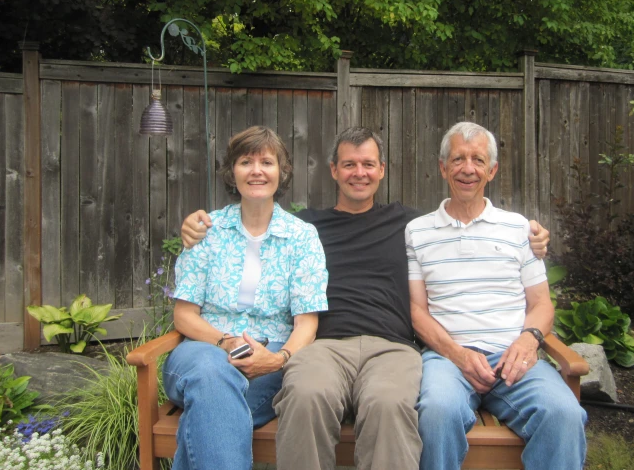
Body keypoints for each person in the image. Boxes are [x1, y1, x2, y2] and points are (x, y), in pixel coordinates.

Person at [181, 126, 551, 470]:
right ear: (334, 171)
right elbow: (256, 230)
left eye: (368, 164)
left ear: (382, 170)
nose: (359, 172)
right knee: (306, 394)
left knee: (389, 404)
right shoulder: (305, 229)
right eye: (349, 164)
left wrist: (532, 236)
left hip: (391, 347)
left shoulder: (411, 225)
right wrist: (196, 225)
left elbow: (461, 224)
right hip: (325, 347)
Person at [406, 121, 587, 470]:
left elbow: (541, 305)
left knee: (564, 414)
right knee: (436, 412)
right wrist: (458, 354)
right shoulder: (418, 231)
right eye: (458, 159)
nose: (468, 169)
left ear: (492, 170)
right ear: (443, 168)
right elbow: (418, 311)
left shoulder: (520, 228)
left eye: (478, 159)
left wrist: (529, 340)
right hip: (448, 360)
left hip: (514, 359)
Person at [164, 126, 329, 470]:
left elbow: (306, 323)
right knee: (212, 375)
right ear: (232, 172)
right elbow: (184, 316)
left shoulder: (302, 238)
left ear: (281, 173)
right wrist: (224, 342)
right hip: (202, 352)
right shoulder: (206, 231)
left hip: (268, 364)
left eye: (267, 162)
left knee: (209, 412)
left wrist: (278, 358)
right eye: (245, 161)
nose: (256, 170)